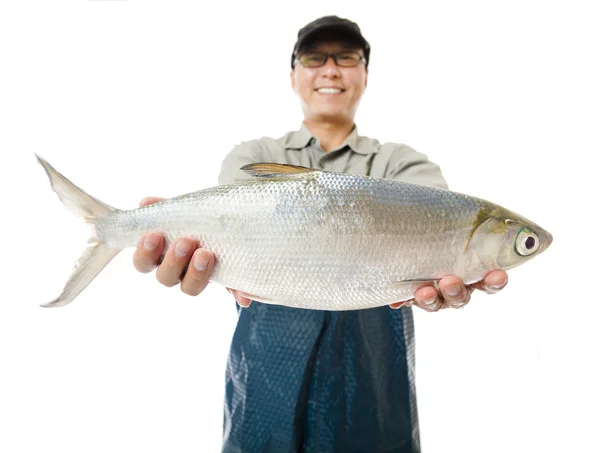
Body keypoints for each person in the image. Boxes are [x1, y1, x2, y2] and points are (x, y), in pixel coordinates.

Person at [133, 16, 509, 453]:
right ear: (294, 75)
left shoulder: (405, 166)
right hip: (264, 376)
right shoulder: (254, 156)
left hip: (375, 382)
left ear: (365, 75)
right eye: (315, 58)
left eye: (346, 58)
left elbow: (442, 234)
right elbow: (224, 235)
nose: (330, 69)